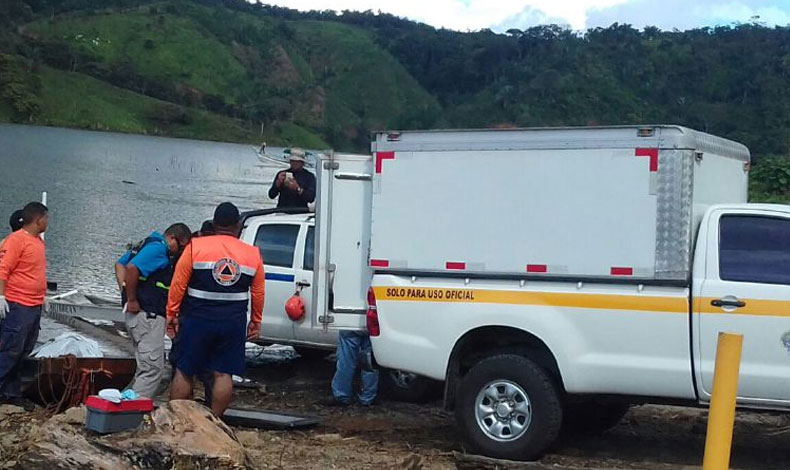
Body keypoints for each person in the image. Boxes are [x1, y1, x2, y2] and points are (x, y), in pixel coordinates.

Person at [167, 202, 264, 416]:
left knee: (184, 370)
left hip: (197, 318)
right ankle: (215, 421)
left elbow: (178, 285)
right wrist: (256, 321)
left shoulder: (196, 247)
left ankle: (176, 419)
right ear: (238, 226)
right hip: (232, 321)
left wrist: (171, 314)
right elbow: (258, 292)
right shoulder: (252, 254)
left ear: (214, 223)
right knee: (223, 373)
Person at [115, 223, 192, 398]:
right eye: (181, 247)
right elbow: (131, 268)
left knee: (145, 366)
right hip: (147, 316)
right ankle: (132, 412)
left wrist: (124, 291)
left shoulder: (147, 243)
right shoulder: (159, 249)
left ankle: (126, 401)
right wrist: (132, 298)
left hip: (138, 317)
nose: (179, 253)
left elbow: (120, 265)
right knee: (153, 370)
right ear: (172, 238)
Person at [0, 202, 49, 410]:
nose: (48, 222)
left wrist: (42, 295)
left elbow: (35, 271)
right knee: (11, 349)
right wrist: (1, 296)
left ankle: (11, 393)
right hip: (18, 304)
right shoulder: (16, 240)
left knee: (25, 349)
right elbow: (3, 269)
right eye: (46, 218)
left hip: (34, 304)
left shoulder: (37, 241)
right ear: (38, 219)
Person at [328, 330, 379, 406]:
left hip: (351, 325)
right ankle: (367, 398)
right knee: (369, 361)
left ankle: (342, 396)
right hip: (370, 325)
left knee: (346, 361)